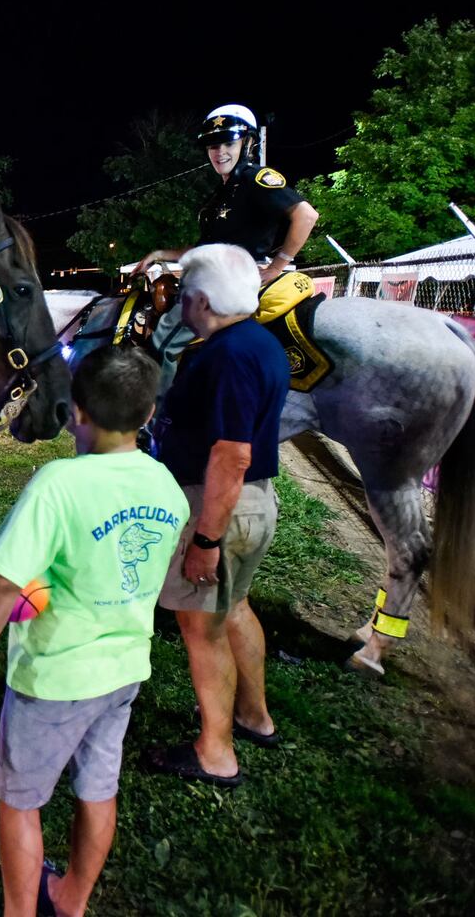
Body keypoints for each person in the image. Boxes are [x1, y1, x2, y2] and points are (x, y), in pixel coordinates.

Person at [0, 344, 187, 917]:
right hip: (125, 671)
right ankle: (71, 900)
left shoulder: (58, 484)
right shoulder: (167, 488)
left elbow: (2, 584)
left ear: (77, 412)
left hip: (54, 676)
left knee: (19, 801)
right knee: (98, 789)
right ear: (149, 413)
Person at [144, 244, 290, 788]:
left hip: (217, 505)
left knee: (200, 626)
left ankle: (216, 753)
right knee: (235, 608)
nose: (178, 305)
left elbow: (232, 452)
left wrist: (204, 539)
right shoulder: (260, 342)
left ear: (201, 299)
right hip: (253, 504)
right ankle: (255, 717)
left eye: (182, 296)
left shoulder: (225, 356)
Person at [138, 104, 319, 400]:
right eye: (213, 145)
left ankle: (155, 419)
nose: (219, 151)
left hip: (228, 282)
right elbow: (205, 249)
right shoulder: (223, 192)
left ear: (247, 143)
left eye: (228, 143)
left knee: (163, 341)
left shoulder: (255, 178)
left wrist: (276, 266)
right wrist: (161, 253)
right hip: (216, 276)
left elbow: (306, 215)